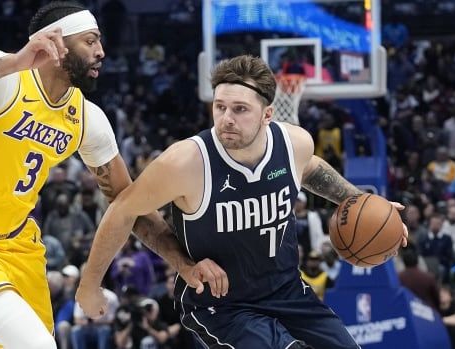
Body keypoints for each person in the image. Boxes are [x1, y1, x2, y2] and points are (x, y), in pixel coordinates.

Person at [0, 2, 217, 348]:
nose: (101, 51)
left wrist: (183, 264)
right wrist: (16, 61)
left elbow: (129, 203)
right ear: (56, 43)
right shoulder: (2, 78)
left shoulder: (88, 119)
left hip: (19, 246)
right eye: (90, 41)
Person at [76, 55, 408, 348]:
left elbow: (309, 168)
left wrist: (359, 199)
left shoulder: (294, 144)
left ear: (267, 114)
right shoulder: (185, 162)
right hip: (221, 306)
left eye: (239, 109)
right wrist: (91, 285)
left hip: (286, 291)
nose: (226, 119)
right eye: (219, 107)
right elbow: (124, 210)